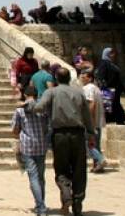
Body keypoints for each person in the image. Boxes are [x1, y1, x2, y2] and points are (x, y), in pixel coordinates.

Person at [25, 67, 95, 216]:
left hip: (60, 136)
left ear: (56, 78)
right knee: (79, 170)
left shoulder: (51, 92)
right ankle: (77, 204)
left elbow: (39, 108)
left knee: (61, 168)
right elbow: (87, 115)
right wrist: (91, 133)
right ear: (69, 78)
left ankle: (66, 192)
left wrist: (29, 104)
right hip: (78, 135)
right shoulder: (79, 92)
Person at [11, 86, 50, 216]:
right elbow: (47, 127)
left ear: (25, 94)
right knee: (41, 177)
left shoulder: (20, 110)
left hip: (27, 146)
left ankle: (40, 207)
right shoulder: (43, 109)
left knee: (33, 177)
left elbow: (15, 130)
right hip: (41, 145)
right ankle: (41, 204)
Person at [80, 70, 107, 173]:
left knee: (89, 144)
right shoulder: (96, 88)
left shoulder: (88, 88)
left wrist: (89, 120)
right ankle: (98, 165)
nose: (82, 79)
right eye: (82, 77)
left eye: (84, 77)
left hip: (92, 122)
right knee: (95, 144)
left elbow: (91, 104)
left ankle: (100, 159)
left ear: (90, 78)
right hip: (97, 121)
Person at [95, 47, 125, 124]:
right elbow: (100, 76)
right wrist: (105, 87)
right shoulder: (104, 64)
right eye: (111, 53)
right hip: (110, 88)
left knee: (115, 104)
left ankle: (118, 119)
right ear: (107, 54)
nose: (113, 55)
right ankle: (119, 120)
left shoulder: (110, 63)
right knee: (113, 104)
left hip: (116, 88)